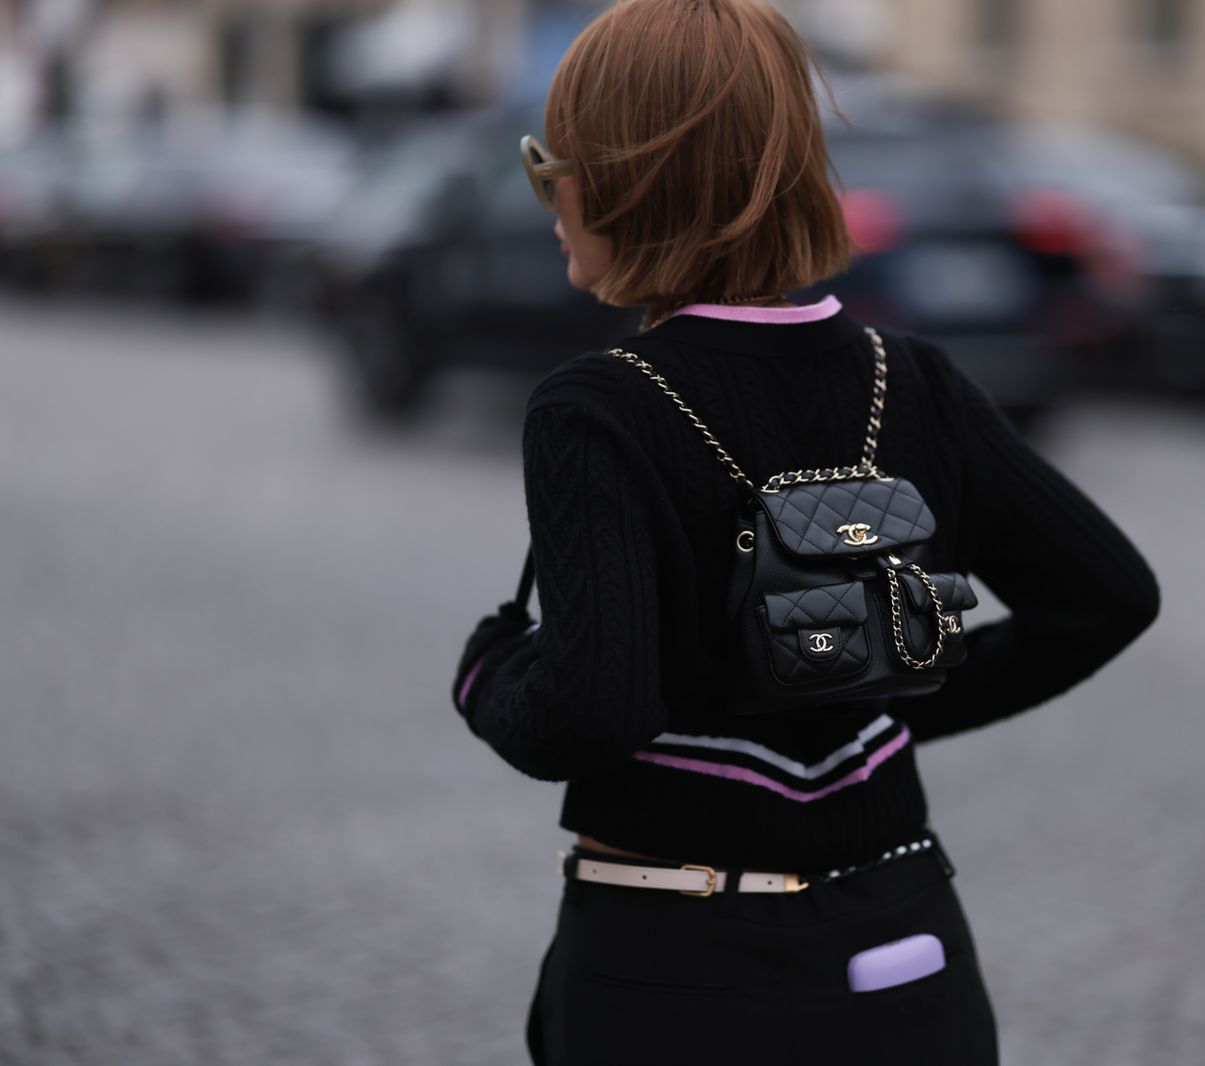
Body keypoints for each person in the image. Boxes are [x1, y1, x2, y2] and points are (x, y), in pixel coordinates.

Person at [449, 1, 1161, 1062]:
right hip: (906, 951)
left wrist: (485, 674)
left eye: (553, 163)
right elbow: (1107, 595)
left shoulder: (596, 408)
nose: (549, 193)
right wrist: (878, 701)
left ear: (631, 176)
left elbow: (592, 707)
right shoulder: (911, 378)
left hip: (673, 967)